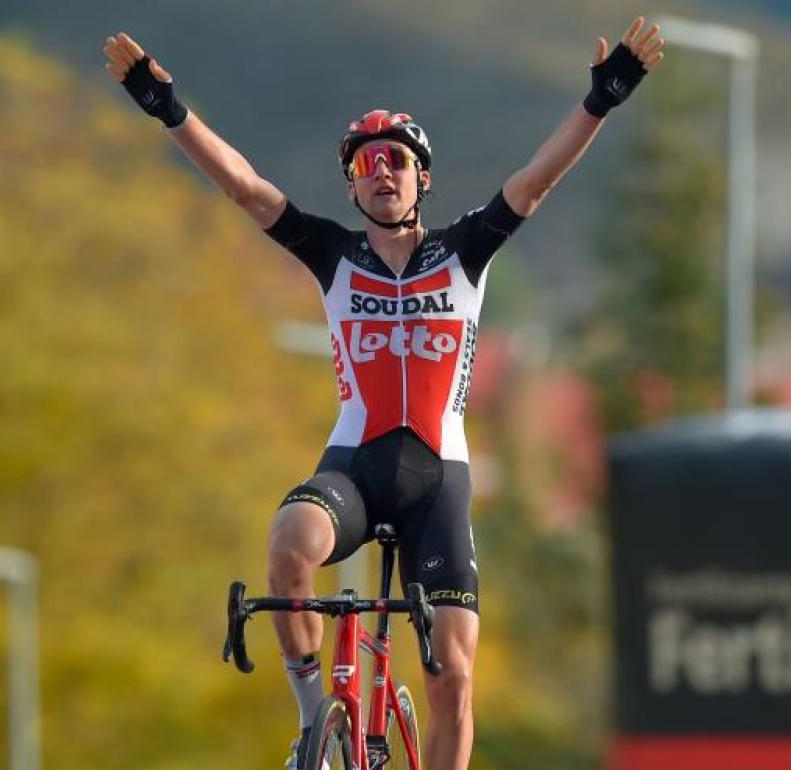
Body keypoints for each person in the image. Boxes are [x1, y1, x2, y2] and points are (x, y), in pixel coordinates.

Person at [103, 17, 664, 770]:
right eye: (367, 164)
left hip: (439, 479)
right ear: (352, 184)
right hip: (356, 467)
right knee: (287, 548)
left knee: (454, 678)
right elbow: (243, 186)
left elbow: (536, 180)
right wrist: (165, 106)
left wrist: (603, 99)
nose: (382, 173)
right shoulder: (332, 255)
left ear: (421, 178)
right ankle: (313, 721)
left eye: (396, 161)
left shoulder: (464, 249)